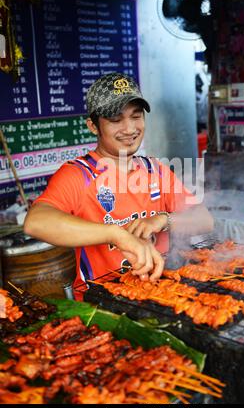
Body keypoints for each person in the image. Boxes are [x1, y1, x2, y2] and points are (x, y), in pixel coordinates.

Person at [24, 72, 214, 299]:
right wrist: (116, 234)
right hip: (104, 306)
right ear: (93, 126)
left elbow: (205, 219)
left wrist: (164, 219)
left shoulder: (156, 170)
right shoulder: (78, 175)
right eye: (116, 120)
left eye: (136, 116)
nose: (129, 128)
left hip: (163, 295)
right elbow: (35, 222)